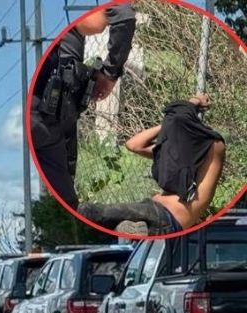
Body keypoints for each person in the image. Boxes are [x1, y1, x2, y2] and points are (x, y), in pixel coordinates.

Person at [31, 3, 137, 210]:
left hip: (54, 112)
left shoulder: (62, 28)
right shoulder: (75, 22)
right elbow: (122, 15)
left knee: (61, 201)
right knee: (66, 202)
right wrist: (110, 72)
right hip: (52, 116)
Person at [79, 94, 226, 235]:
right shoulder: (176, 156)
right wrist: (167, 126)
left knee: (92, 212)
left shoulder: (212, 149)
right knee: (107, 222)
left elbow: (180, 117)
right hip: (151, 210)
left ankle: (137, 230)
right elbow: (133, 145)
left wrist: (193, 102)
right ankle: (136, 229)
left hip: (169, 220)